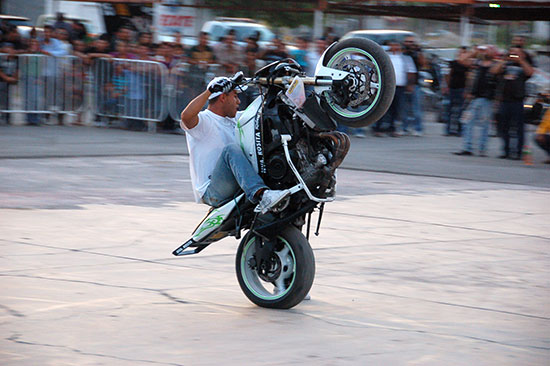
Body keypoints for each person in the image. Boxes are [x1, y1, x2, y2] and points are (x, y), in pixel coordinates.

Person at [180, 72, 290, 213]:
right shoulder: (205, 120)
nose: (238, 101)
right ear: (223, 97)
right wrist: (210, 91)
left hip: (234, 182)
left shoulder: (234, 118)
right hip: (213, 191)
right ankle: (262, 195)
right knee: (231, 150)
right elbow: (186, 116)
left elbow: (260, 112)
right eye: (235, 96)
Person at [454, 46, 498, 157]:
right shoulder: (477, 63)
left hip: (487, 99)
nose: (485, 52)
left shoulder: (496, 65)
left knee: (485, 124)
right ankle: (467, 147)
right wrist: (474, 52)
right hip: (474, 98)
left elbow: (496, 73)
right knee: (467, 121)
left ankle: (482, 148)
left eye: (487, 50)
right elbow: (461, 60)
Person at [491, 46, 534, 160]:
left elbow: (530, 73)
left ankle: (518, 152)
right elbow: (493, 71)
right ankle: (506, 150)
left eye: (516, 52)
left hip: (518, 101)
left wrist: (520, 60)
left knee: (519, 128)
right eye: (512, 52)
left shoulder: (523, 65)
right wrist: (504, 60)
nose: (513, 54)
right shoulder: (505, 65)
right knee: (503, 127)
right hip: (504, 101)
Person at [372, 40, 416, 137]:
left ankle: (393, 128)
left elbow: (411, 71)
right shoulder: (385, 57)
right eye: (392, 45)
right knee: (383, 108)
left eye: (396, 45)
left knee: (397, 108)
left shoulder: (405, 58)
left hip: (400, 87)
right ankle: (379, 128)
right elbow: (377, 70)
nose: (394, 47)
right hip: (387, 87)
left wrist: (410, 84)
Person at [444, 47, 470, 136]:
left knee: (461, 110)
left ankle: (460, 130)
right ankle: (448, 129)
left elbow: (468, 78)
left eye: (464, 53)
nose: (461, 55)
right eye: (460, 53)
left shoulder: (467, 66)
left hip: (461, 88)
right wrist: (446, 86)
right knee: (449, 109)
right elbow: (448, 75)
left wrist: (467, 90)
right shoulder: (453, 63)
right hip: (452, 88)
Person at [403, 35, 425, 136]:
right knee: (405, 108)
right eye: (408, 42)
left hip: (415, 84)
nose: (409, 44)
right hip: (403, 83)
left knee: (416, 108)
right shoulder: (403, 53)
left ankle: (418, 128)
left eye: (411, 42)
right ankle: (406, 127)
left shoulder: (417, 54)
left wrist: (419, 51)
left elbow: (423, 63)